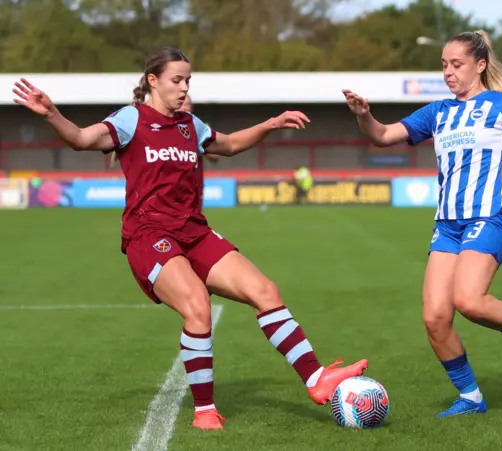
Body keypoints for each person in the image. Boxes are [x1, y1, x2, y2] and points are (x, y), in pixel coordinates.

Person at [13, 47, 367, 430]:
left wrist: (269, 124)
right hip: (148, 235)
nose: (184, 88)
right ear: (153, 80)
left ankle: (316, 379)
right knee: (197, 306)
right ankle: (204, 411)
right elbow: (82, 139)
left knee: (265, 291)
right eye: (176, 80)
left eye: (188, 81)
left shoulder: (189, 125)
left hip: (193, 231)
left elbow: (227, 145)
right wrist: (52, 113)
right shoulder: (132, 119)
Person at [342, 30, 502, 417]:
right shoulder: (437, 112)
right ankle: (470, 397)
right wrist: (364, 116)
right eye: (443, 65)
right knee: (435, 317)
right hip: (448, 224)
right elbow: (383, 135)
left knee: (470, 301)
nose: (448, 72)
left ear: (480, 65)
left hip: (490, 214)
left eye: (456, 65)